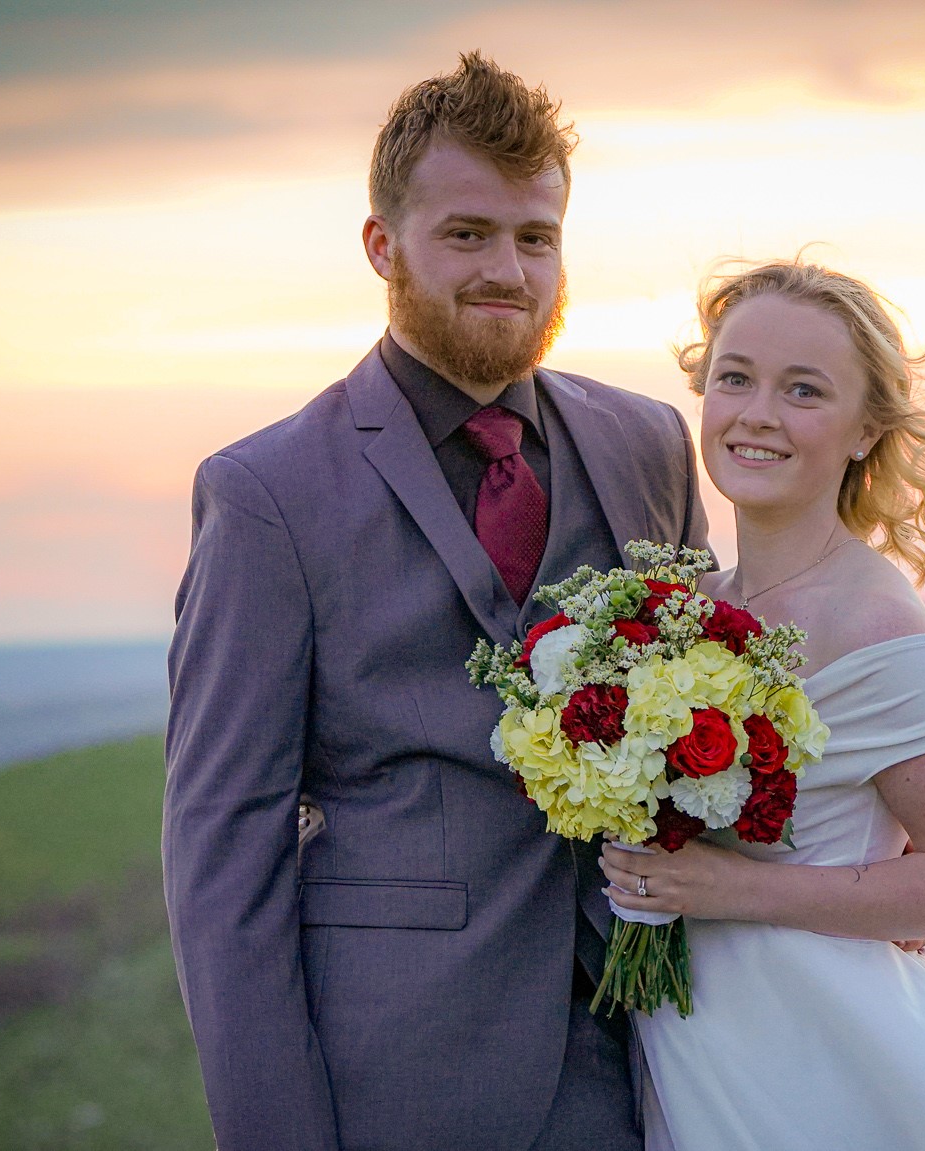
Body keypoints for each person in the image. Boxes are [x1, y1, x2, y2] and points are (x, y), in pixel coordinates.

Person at [163, 53, 708, 1151]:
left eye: (534, 237)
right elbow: (224, 847)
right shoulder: (266, 494)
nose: (507, 268)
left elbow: (705, 740)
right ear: (382, 244)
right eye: (467, 234)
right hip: (401, 1076)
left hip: (659, 1059)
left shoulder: (648, 443)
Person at [597, 260, 925, 1150]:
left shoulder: (879, 625)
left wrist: (736, 887)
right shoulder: (690, 602)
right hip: (702, 1045)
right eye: (736, 376)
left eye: (804, 390)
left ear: (865, 430)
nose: (757, 413)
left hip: (826, 1055)